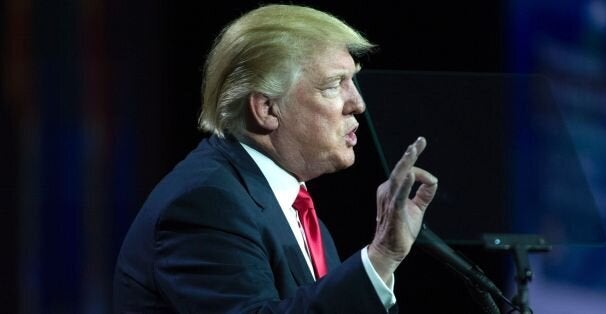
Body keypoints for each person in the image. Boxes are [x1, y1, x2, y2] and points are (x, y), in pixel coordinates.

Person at [113, 4, 437, 313]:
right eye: (334, 85)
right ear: (266, 109)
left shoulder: (293, 208)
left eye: (353, 80)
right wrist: (381, 256)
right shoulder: (205, 205)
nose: (357, 103)